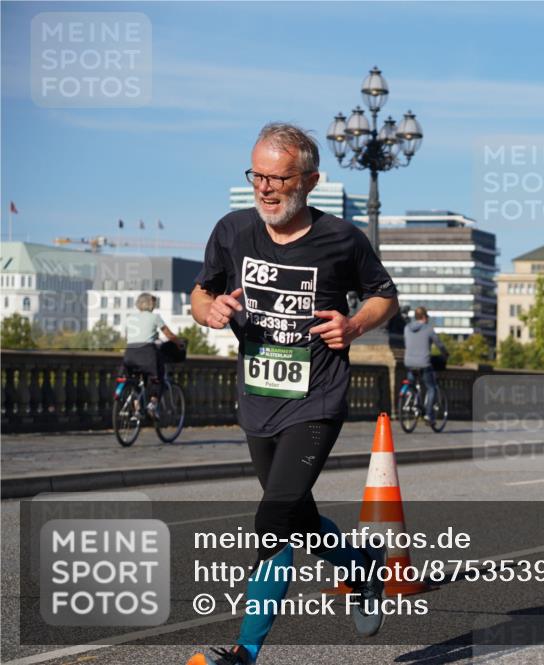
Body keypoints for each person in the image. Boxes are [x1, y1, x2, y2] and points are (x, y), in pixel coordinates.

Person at [187, 123, 399, 665]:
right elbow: (203, 289)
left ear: (309, 180)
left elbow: (384, 296)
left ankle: (245, 652)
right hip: (258, 400)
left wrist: (352, 326)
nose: (264, 188)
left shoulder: (342, 239)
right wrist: (206, 311)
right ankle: (363, 567)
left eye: (278, 178)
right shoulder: (233, 231)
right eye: (256, 175)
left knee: (275, 519)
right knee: (298, 518)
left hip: (317, 400)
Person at [122, 292, 180, 417]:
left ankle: (136, 409)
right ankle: (152, 404)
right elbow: (168, 334)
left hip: (130, 352)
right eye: (153, 303)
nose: (154, 305)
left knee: (134, 381)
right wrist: (179, 342)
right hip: (146, 353)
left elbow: (127, 337)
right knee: (157, 377)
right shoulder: (154, 317)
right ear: (149, 304)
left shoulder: (130, 318)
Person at [403, 306, 448, 427]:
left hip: (409, 363)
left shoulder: (407, 328)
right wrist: (446, 354)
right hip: (424, 363)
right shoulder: (428, 329)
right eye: (427, 317)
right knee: (431, 387)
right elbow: (439, 344)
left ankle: (413, 402)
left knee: (412, 384)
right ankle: (428, 414)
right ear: (424, 317)